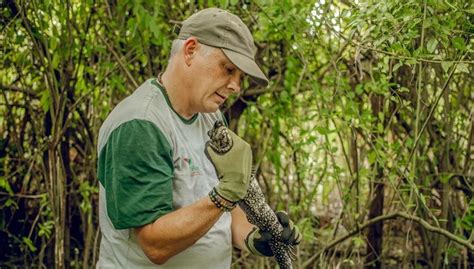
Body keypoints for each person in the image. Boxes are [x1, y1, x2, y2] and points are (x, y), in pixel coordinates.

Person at [96, 8, 301, 268]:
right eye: (228, 69)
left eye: (240, 77)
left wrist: (252, 237)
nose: (236, 86)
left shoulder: (211, 118)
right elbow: (155, 245)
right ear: (191, 51)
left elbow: (221, 209)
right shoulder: (141, 124)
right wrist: (224, 195)